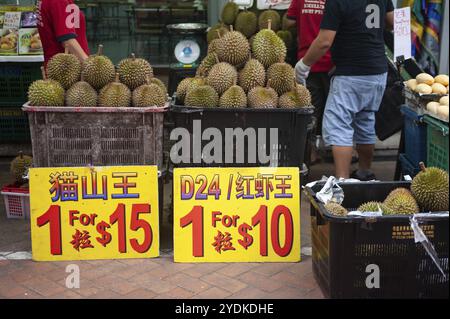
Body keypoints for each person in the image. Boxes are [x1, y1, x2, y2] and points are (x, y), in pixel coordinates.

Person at [295, 0, 394, 179]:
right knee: (365, 121)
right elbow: (392, 22)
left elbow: (324, 41)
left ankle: (343, 182)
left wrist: (304, 64)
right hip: (377, 71)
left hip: (351, 72)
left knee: (340, 126)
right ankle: (365, 172)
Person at [286, 0, 334, 164]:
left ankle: (310, 151)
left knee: (310, 108)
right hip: (333, 61)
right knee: (336, 108)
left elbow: (289, 21)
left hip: (308, 61)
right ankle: (344, 149)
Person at [36, 0, 89, 65]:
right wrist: (89, 65)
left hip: (60, 66)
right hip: (68, 69)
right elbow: (67, 41)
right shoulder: (59, 1)